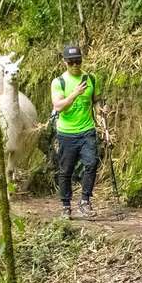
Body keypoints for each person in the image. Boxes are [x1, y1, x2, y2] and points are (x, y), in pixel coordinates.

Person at [51, 44, 101, 219]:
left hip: (87, 130)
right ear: (65, 62)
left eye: (78, 61)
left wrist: (102, 110)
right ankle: (66, 205)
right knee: (66, 171)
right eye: (71, 62)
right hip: (66, 133)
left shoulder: (91, 79)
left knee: (92, 163)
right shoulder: (59, 82)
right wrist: (74, 94)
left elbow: (96, 101)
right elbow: (58, 106)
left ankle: (85, 201)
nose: (75, 65)